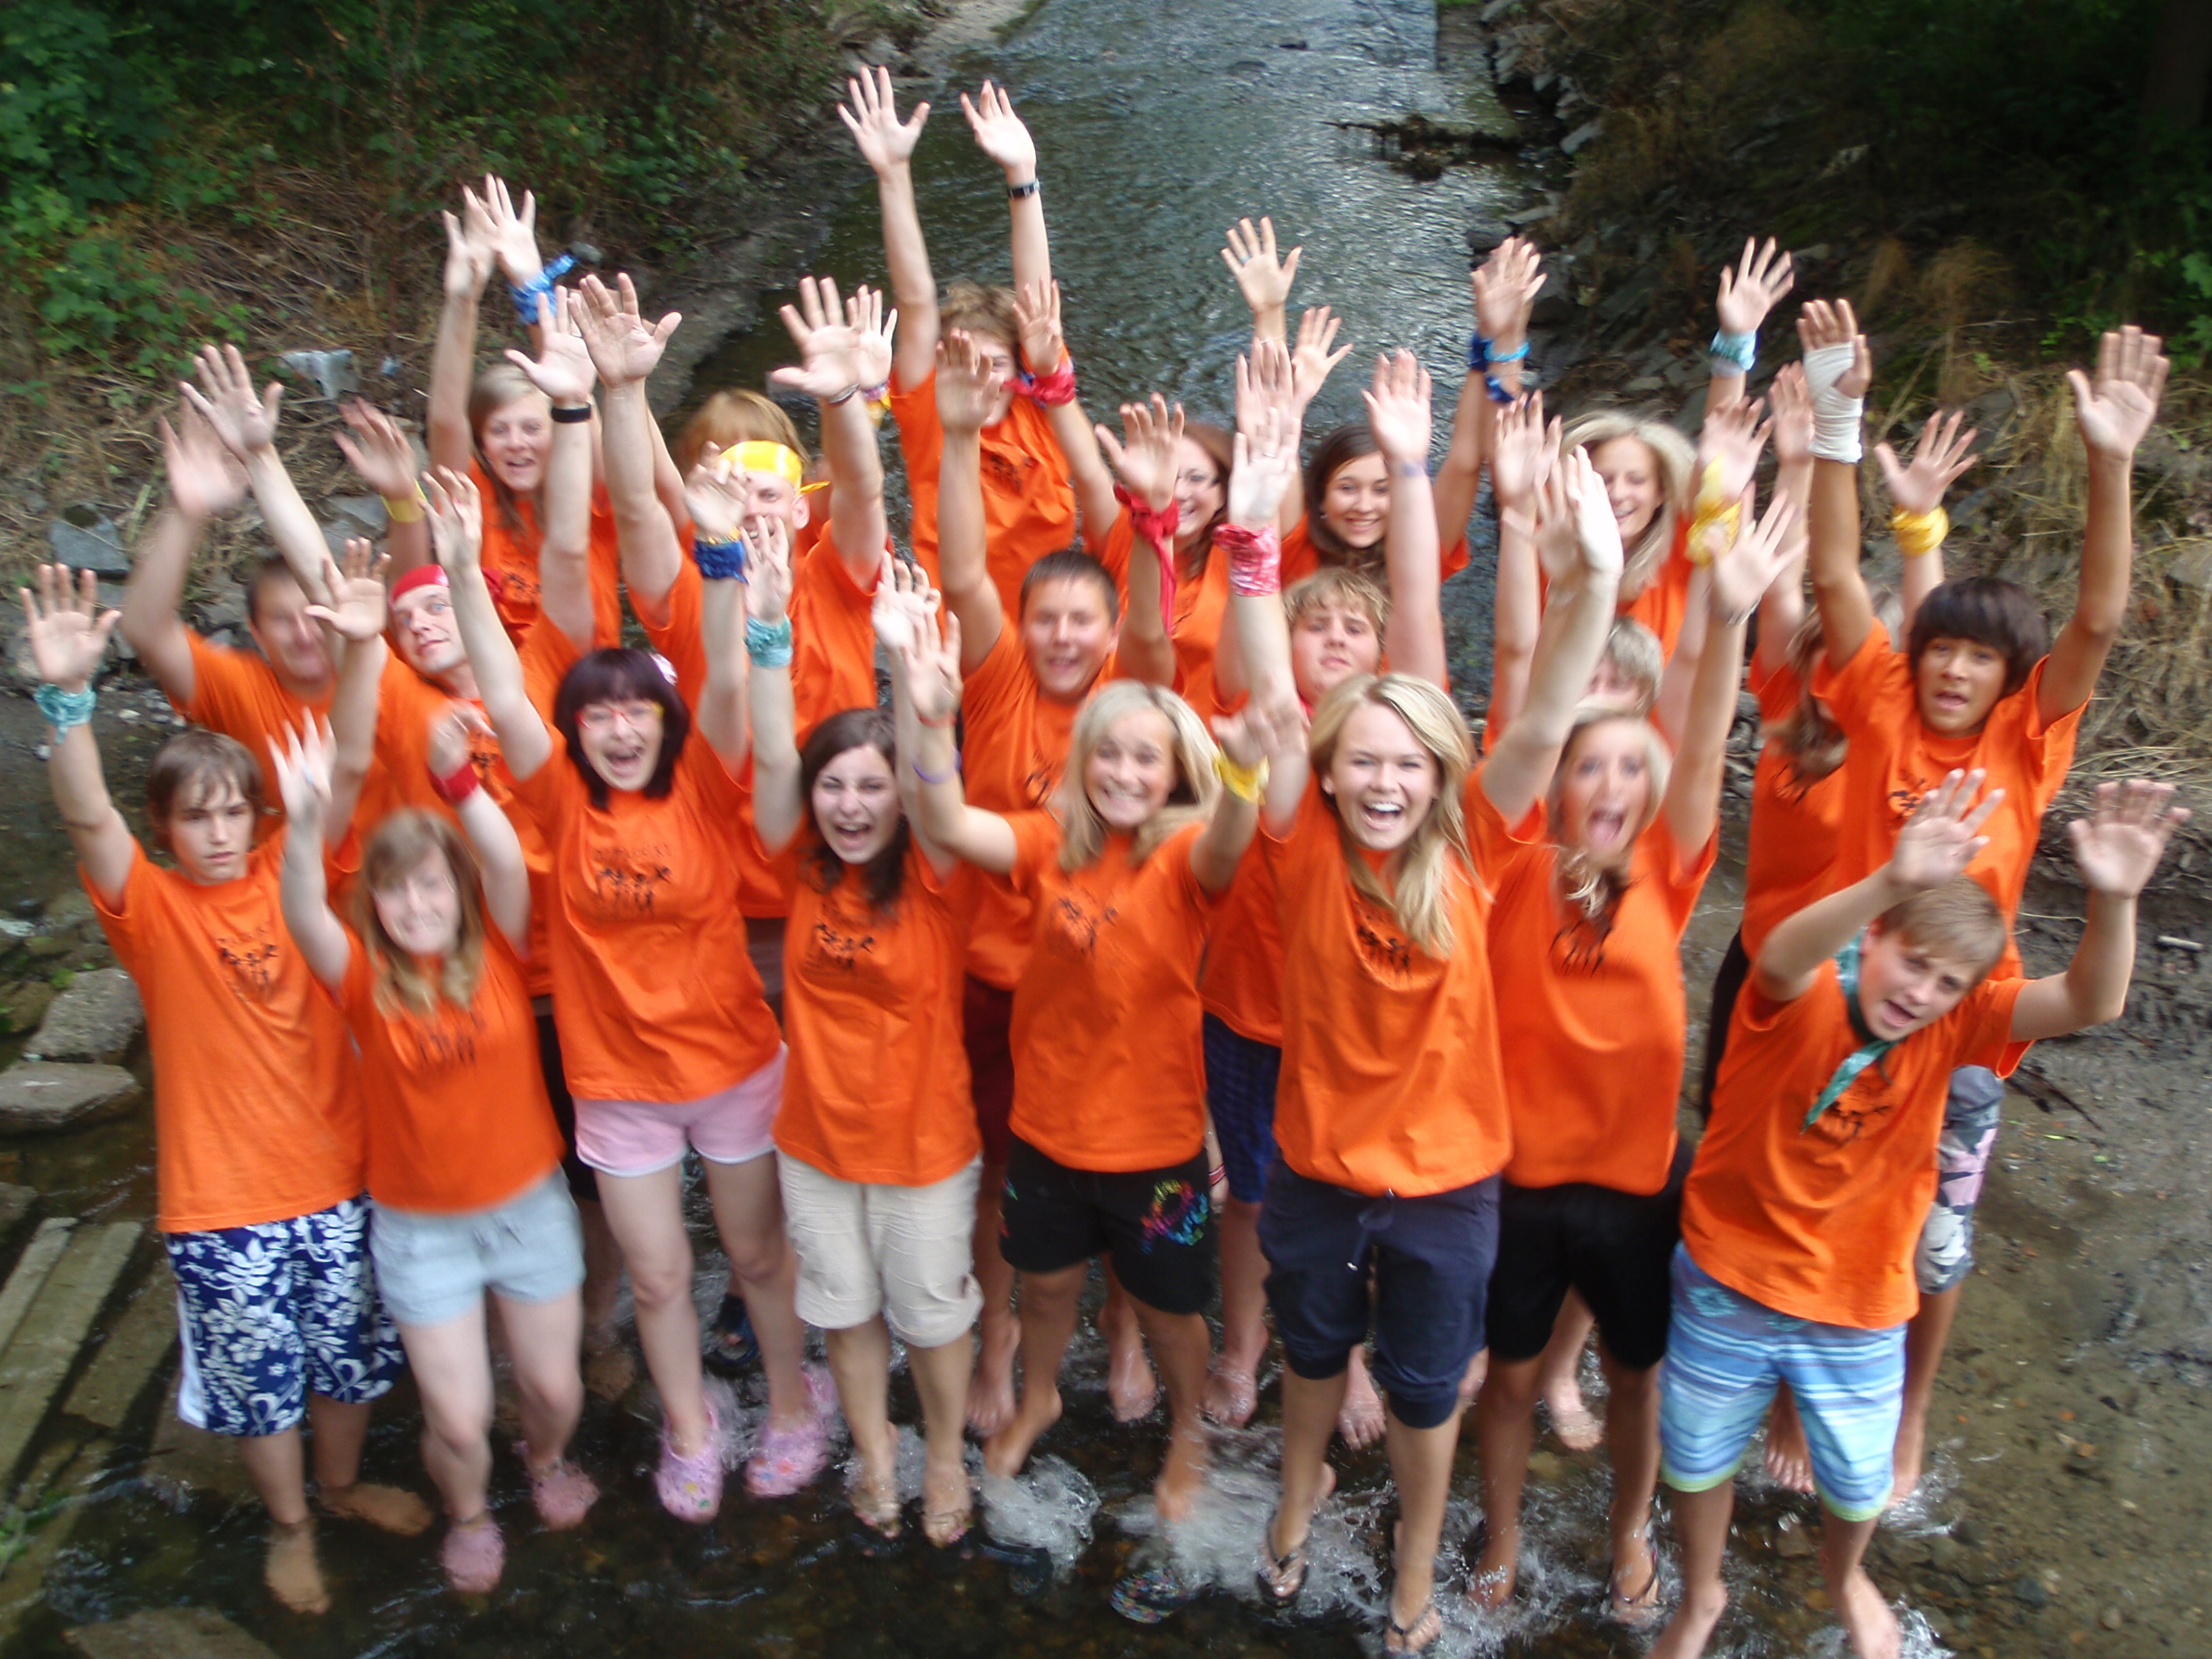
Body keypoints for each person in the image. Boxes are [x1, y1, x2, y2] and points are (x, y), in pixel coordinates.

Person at [1235, 394, 1628, 1655]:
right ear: (1327, 770)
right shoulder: (1299, 843)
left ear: (1442, 777)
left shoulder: (1475, 852)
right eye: (1364, 760)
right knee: (1311, 1352)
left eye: (1409, 763)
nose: (1385, 781)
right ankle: (1295, 1493)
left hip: (1449, 1181)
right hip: (1315, 1163)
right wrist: (1249, 535)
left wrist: (1596, 573)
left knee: (1418, 1386)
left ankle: (1414, 1555)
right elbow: (1271, 688)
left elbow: (1547, 710)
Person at [1653, 773, 2186, 1659]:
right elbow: (1779, 953)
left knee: (1859, 1480)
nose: (1920, 993)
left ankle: (1844, 1574)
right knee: (1696, 1458)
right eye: (1911, 962)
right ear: (1874, 938)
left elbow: (2091, 1002)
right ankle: (1702, 1592)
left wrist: (2118, 898)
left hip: (1860, 1301)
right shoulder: (1797, 996)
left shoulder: (1953, 1024)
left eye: (1947, 983)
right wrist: (1892, 880)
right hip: (1729, 1275)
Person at [1801, 306, 2168, 1506]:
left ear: (2010, 680)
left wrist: (2109, 460)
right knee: (1810, 1185)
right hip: (1849, 997)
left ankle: (1907, 1409)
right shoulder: (1878, 698)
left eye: (1980, 658)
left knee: (1937, 1233)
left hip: (1966, 1026)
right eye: (1942, 649)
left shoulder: (2025, 744)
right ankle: (1792, 1381)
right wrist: (1837, 416)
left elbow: (2096, 620)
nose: (1955, 670)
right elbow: (1831, 572)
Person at [422, 466, 830, 1520]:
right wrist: (462, 568)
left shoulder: (703, 783)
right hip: (617, 1084)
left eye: (637, 710)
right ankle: (692, 1427)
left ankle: (794, 1403)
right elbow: (504, 688)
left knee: (756, 1254)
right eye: (597, 713)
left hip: (732, 1064)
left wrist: (721, 556)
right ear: (577, 728)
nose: (618, 728)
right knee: (657, 1277)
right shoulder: (559, 796)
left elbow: (729, 683)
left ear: (663, 721)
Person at [24, 562, 425, 1615]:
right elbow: (88, 821)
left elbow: (349, 757)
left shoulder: (298, 868)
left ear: (256, 816)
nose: (217, 833)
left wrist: (363, 645)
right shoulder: (151, 913)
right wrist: (67, 702)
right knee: (261, 1390)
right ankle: (289, 1527)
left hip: (337, 1178)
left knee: (346, 1361)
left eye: (232, 812)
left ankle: (339, 1489)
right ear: (165, 828)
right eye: (195, 817)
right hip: (222, 1205)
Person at [896, 510, 1298, 1544]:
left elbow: (1230, 845)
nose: (1123, 772)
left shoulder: (1185, 857)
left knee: (1170, 1308)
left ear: (1173, 774)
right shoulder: (1047, 844)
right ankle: (1037, 1395)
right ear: (1083, 762)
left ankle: (1188, 1434)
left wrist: (1245, 773)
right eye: (1107, 755)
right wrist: (929, 718)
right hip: (1046, 1131)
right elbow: (942, 822)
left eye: (1145, 760)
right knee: (1044, 1286)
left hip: (1153, 1146)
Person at [1468, 464, 1798, 1622]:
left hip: (1636, 1187)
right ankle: (1500, 1533)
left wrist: (1726, 610)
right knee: (1509, 1381)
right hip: (1519, 1184)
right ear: (1554, 784)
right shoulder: (1507, 865)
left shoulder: (1669, 863)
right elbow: (1525, 691)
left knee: (1635, 1377)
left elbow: (1700, 737)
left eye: (1626, 766)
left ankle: (1625, 1531)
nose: (1607, 781)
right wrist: (1563, 575)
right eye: (1584, 764)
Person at [275, 701, 594, 1593]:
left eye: (431, 886)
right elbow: (299, 908)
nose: (415, 905)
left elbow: (505, 858)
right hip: (422, 1233)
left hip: (530, 1211)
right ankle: (470, 1512)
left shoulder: (500, 948)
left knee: (554, 1392)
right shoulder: (360, 976)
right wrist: (304, 822)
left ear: (459, 891)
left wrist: (460, 781)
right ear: (373, 902)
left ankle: (546, 1460)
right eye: (395, 890)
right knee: (458, 1421)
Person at [926, 331, 1174, 1433]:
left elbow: (1155, 623)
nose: (1063, 636)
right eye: (1046, 619)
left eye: (1082, 620)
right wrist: (952, 434)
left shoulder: (1134, 694)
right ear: (1021, 627)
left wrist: (1153, 517)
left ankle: (1123, 1328)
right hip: (994, 974)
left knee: (1128, 1163)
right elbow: (961, 572)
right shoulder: (995, 682)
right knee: (1001, 1169)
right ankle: (1000, 1339)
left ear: (1107, 630)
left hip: (1112, 975)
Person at [842, 69, 1115, 607]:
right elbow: (916, 299)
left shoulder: (1041, 408)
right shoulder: (931, 412)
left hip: (1049, 622)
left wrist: (1022, 175)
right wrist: (892, 174)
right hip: (957, 623)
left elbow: (1036, 300)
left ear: (1022, 372)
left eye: (995, 364)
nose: (980, 378)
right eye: (963, 361)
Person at [426, 175, 626, 647]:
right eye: (499, 431)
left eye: (532, 427)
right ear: (482, 442)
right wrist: (463, 299)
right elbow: (446, 421)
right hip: (500, 679)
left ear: (558, 434)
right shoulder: (474, 497)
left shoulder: (591, 496)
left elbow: (575, 393)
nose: (516, 443)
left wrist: (530, 283)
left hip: (589, 683)